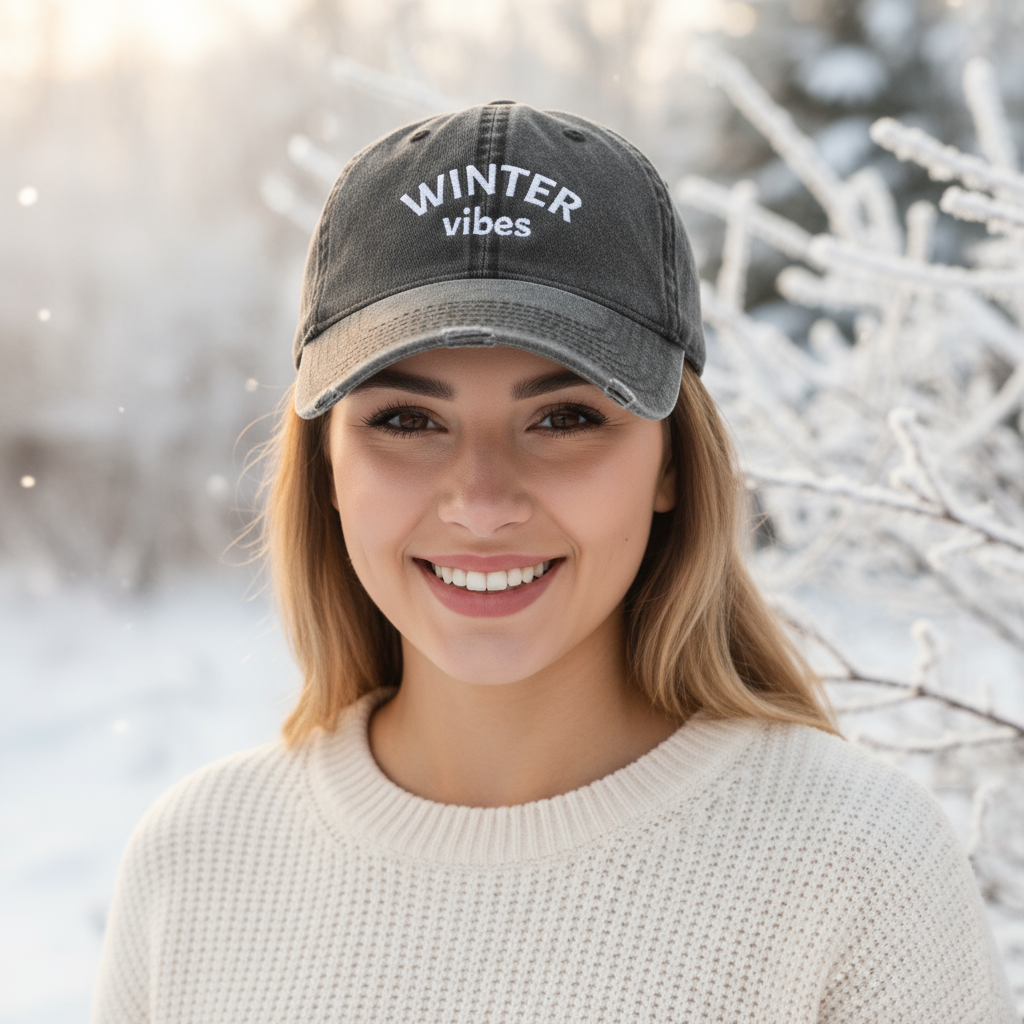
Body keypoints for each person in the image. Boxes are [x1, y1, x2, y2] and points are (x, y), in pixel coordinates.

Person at [91, 102, 1017, 1023]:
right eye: (407, 421)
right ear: (327, 467)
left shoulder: (860, 872)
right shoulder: (193, 869)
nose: (482, 501)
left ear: (670, 465)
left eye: (565, 418)